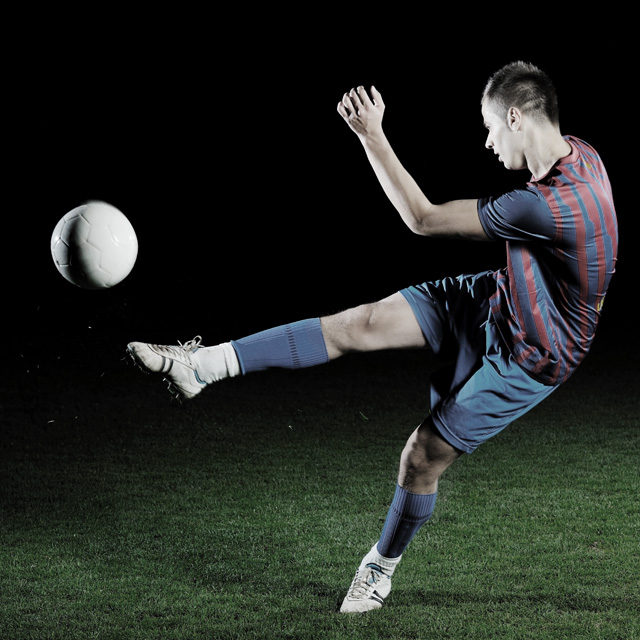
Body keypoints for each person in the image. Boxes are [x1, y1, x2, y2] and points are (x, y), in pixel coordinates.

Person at [127, 62, 618, 613]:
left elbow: (423, 219)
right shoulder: (581, 154)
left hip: (534, 354)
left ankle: (378, 569)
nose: (487, 141)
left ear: (515, 117)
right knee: (358, 323)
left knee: (421, 457)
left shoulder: (546, 207)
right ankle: (202, 365)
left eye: (488, 127)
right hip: (502, 298)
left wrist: (371, 134)